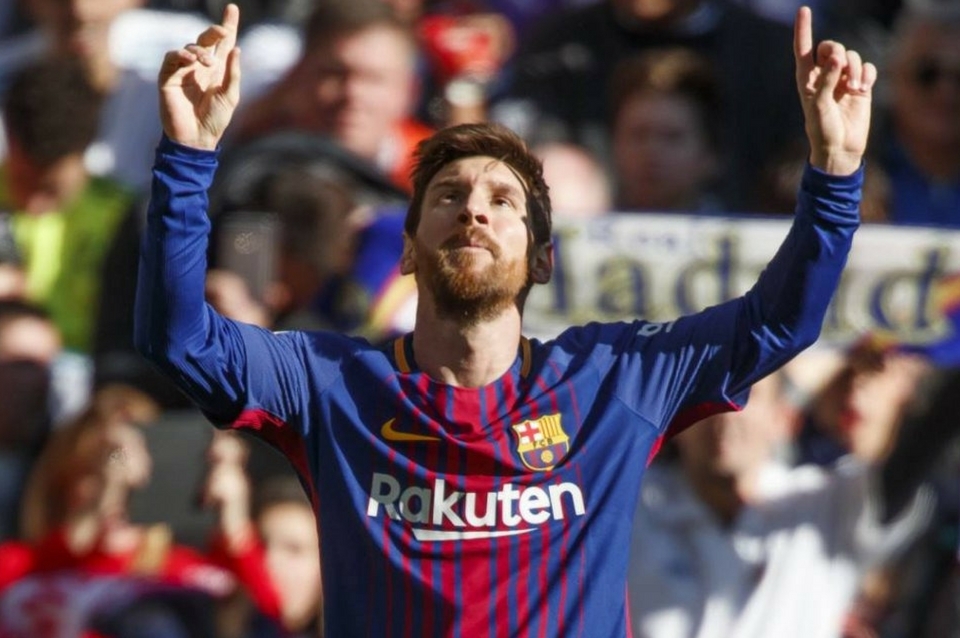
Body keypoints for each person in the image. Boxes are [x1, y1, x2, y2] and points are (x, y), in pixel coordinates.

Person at [135, 4, 875, 636]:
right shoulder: (329, 385)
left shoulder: (613, 382)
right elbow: (179, 339)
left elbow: (778, 323)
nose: (474, 212)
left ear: (543, 260)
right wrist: (188, 158)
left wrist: (836, 173)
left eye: (502, 202)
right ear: (408, 250)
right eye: (448, 196)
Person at [627, 370, 932, 638]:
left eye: (746, 394)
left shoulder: (828, 501)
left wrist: (896, 385)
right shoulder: (626, 504)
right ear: (673, 420)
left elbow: (923, 447)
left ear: (784, 418)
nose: (724, 412)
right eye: (705, 396)